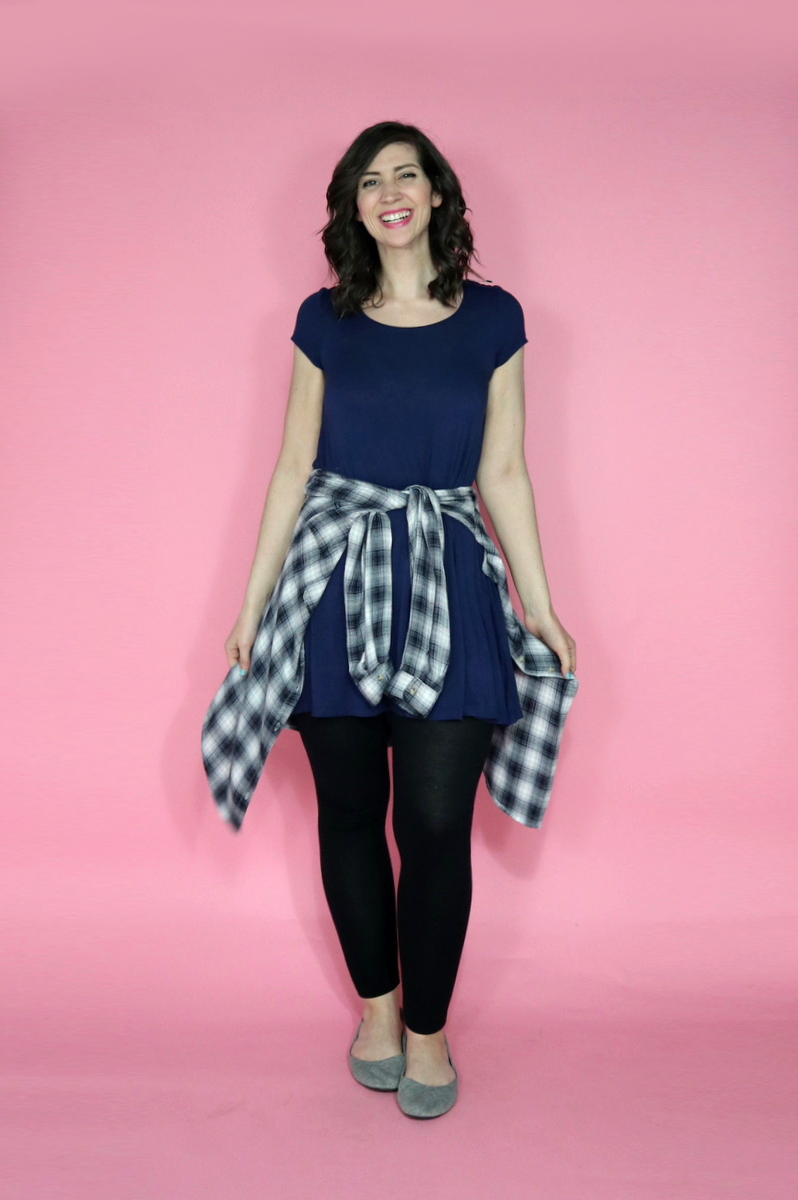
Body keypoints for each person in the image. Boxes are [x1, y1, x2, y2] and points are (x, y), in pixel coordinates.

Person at [213, 122, 577, 1119]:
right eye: (368, 183)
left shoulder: (494, 318)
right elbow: (293, 466)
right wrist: (252, 605)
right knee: (347, 812)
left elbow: (503, 469)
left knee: (433, 821)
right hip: (331, 579)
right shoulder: (323, 321)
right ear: (353, 208)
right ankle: (376, 1011)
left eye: (405, 175)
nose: (389, 194)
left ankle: (427, 1028)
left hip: (450, 573)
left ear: (437, 193)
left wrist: (539, 604)